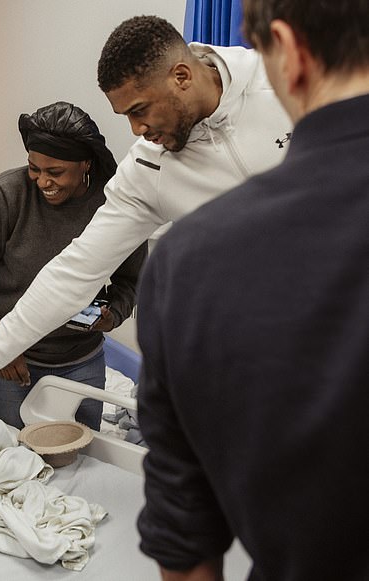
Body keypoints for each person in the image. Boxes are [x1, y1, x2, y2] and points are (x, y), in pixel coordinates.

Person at [0, 15, 293, 403]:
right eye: (126, 116)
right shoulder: (147, 168)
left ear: (182, 77)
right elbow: (74, 271)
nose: (136, 130)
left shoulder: (287, 81)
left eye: (140, 110)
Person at [135, 1, 369, 579]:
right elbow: (76, 266)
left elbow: (185, 543)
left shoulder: (188, 264)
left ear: (288, 53)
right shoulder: (147, 174)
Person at [0, 101, 147, 430]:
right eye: (33, 168)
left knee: (82, 460)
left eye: (55, 172)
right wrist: (0, 342)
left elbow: (132, 280)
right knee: (15, 456)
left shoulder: (114, 207)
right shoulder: (7, 194)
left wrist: (111, 314)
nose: (42, 181)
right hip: (11, 364)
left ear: (85, 163)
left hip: (80, 360)